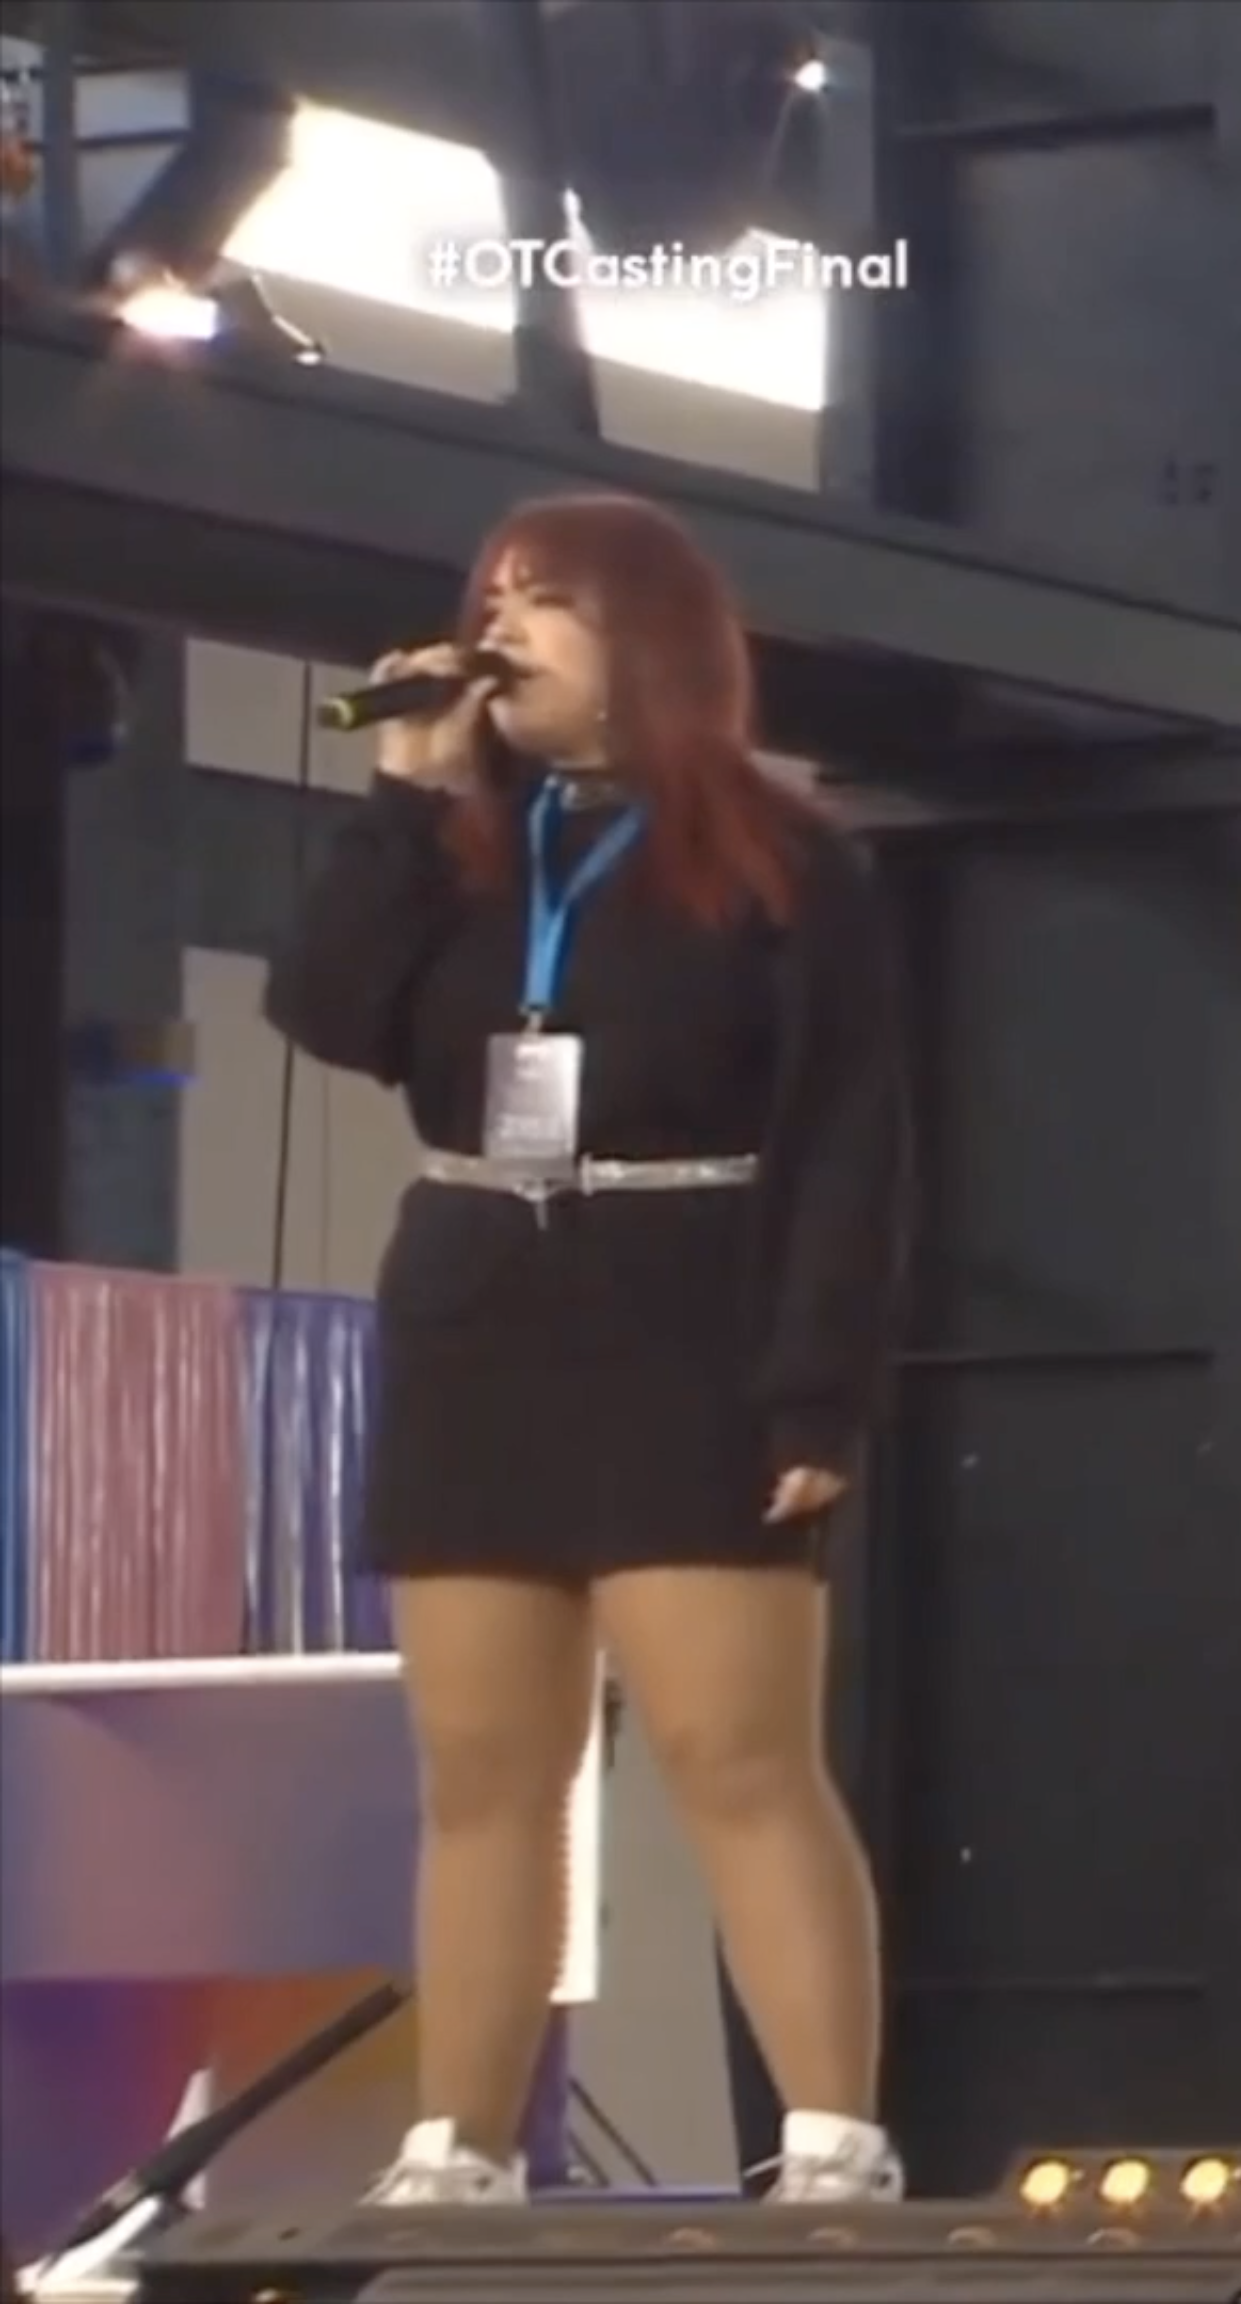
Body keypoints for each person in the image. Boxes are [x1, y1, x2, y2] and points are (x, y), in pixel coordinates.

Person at [264, 494, 911, 2205]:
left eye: (547, 603)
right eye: (493, 598)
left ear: (650, 640)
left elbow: (851, 1140)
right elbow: (326, 1011)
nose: (504, 631)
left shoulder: (791, 860)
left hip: (687, 1307)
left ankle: (832, 2138)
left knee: (733, 1753)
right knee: (485, 1770)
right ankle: (460, 2146)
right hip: (479, 1302)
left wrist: (818, 1390)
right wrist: (405, 801)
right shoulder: (460, 842)